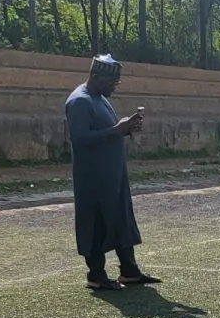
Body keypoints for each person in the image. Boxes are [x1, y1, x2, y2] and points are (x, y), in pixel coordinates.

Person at [66, 54, 157, 290]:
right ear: (94, 77)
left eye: (115, 84)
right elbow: (80, 138)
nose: (113, 88)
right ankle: (96, 275)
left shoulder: (100, 97)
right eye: (110, 83)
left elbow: (107, 132)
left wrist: (125, 129)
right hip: (93, 178)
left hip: (112, 175)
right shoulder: (80, 101)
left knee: (121, 219)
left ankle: (129, 271)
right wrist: (117, 130)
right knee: (96, 224)